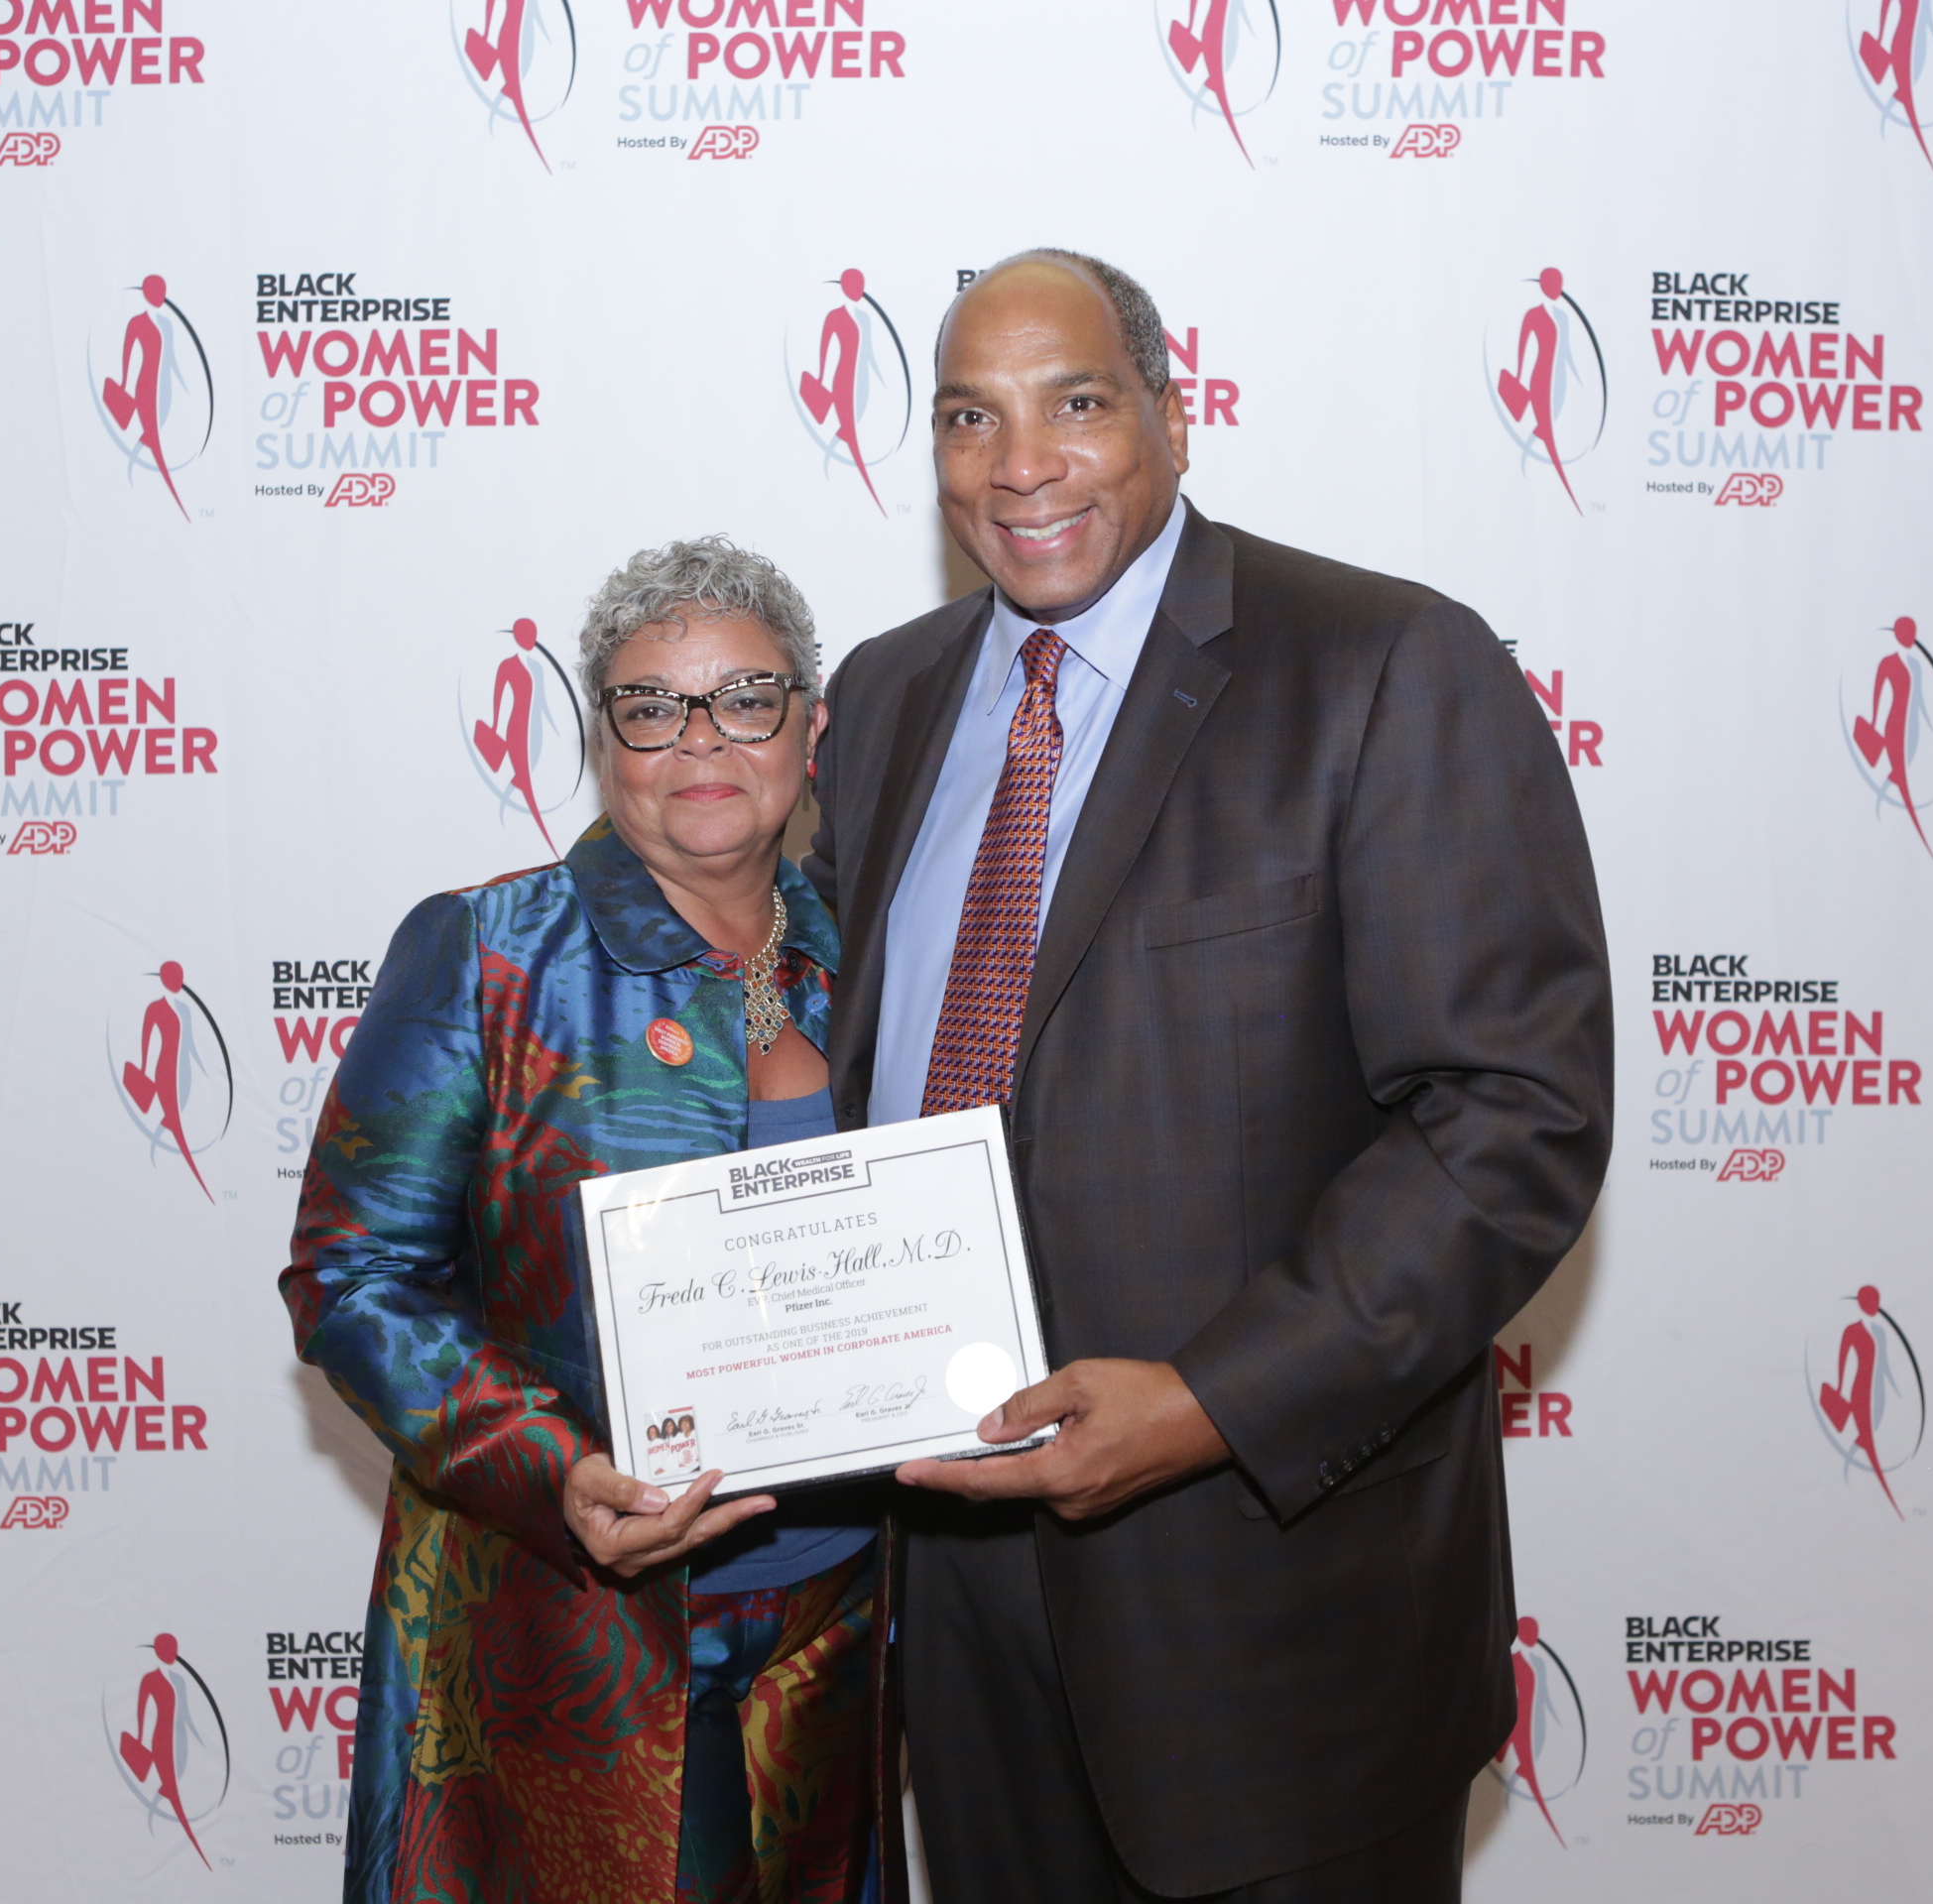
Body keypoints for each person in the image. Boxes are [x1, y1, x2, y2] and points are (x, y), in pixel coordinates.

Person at [805, 251, 1614, 1900]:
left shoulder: (1384, 664)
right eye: (969, 417)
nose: (1020, 465)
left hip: (1272, 1614)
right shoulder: (886, 695)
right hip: (959, 1610)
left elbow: (1513, 1115)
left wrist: (1207, 1403)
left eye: (1075, 404)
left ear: (1171, 419)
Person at [282, 537, 894, 1904]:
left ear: (810, 732)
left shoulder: (878, 953)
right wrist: (551, 1468)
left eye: (746, 698)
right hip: (583, 1624)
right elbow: (353, 1276)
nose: (701, 738)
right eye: (651, 705)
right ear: (601, 739)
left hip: (840, 1623)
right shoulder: (490, 953)